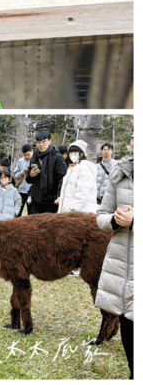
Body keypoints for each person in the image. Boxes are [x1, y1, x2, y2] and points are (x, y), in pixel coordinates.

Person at [95, 133, 133, 379]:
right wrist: (114, 221)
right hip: (122, 264)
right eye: (134, 137)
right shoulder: (120, 174)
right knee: (128, 320)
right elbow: (102, 215)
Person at [26, 131, 68, 214]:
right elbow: (28, 180)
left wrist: (59, 196)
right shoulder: (34, 157)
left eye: (44, 141)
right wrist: (31, 175)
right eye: (38, 142)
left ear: (50, 142)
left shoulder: (57, 157)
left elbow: (62, 178)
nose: (41, 144)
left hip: (51, 200)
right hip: (36, 199)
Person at [57, 139, 98, 214]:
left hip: (81, 212)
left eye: (75, 152)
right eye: (71, 152)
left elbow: (82, 191)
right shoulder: (72, 168)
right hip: (70, 212)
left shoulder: (85, 168)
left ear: (82, 154)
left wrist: (73, 210)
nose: (72, 155)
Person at [14, 144, 34, 216]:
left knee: (31, 213)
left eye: (28, 154)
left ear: (32, 151)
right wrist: (21, 173)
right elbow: (15, 174)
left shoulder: (36, 160)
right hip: (21, 190)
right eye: (25, 155)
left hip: (32, 191)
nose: (26, 157)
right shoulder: (20, 161)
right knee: (18, 212)